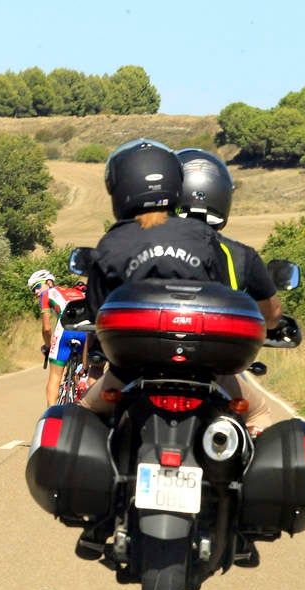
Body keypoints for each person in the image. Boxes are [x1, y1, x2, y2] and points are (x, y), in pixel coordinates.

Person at [78, 139, 233, 417]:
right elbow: (221, 295)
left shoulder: (113, 242)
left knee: (83, 415)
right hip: (203, 365)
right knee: (255, 413)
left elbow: (96, 309)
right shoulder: (203, 238)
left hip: (130, 369)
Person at [175, 147, 286, 433]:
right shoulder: (239, 256)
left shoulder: (145, 246)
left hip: (141, 366)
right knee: (259, 414)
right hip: (214, 371)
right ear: (222, 195)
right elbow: (271, 315)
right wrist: (271, 324)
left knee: (87, 409)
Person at [28, 270, 89, 407]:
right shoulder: (79, 292)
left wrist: (48, 346)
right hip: (86, 330)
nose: (36, 292)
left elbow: (47, 329)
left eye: (37, 286)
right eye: (33, 291)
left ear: (49, 282)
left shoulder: (47, 294)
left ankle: (51, 415)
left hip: (65, 330)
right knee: (87, 371)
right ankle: (83, 379)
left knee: (55, 377)